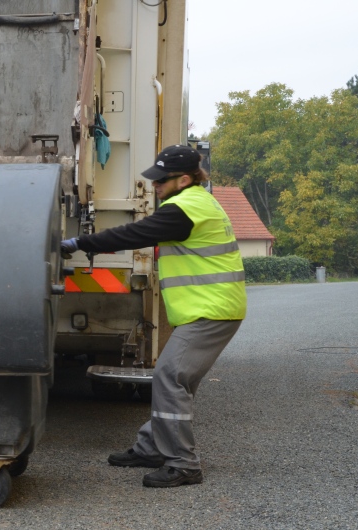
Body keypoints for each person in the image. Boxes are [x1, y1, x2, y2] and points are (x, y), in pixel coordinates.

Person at [61, 144, 247, 488]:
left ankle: (183, 464)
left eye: (162, 180)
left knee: (170, 377)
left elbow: (133, 234)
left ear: (185, 179)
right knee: (174, 380)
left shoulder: (185, 209)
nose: (155, 185)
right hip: (210, 309)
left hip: (212, 311)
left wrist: (80, 243)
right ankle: (151, 447)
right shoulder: (194, 202)